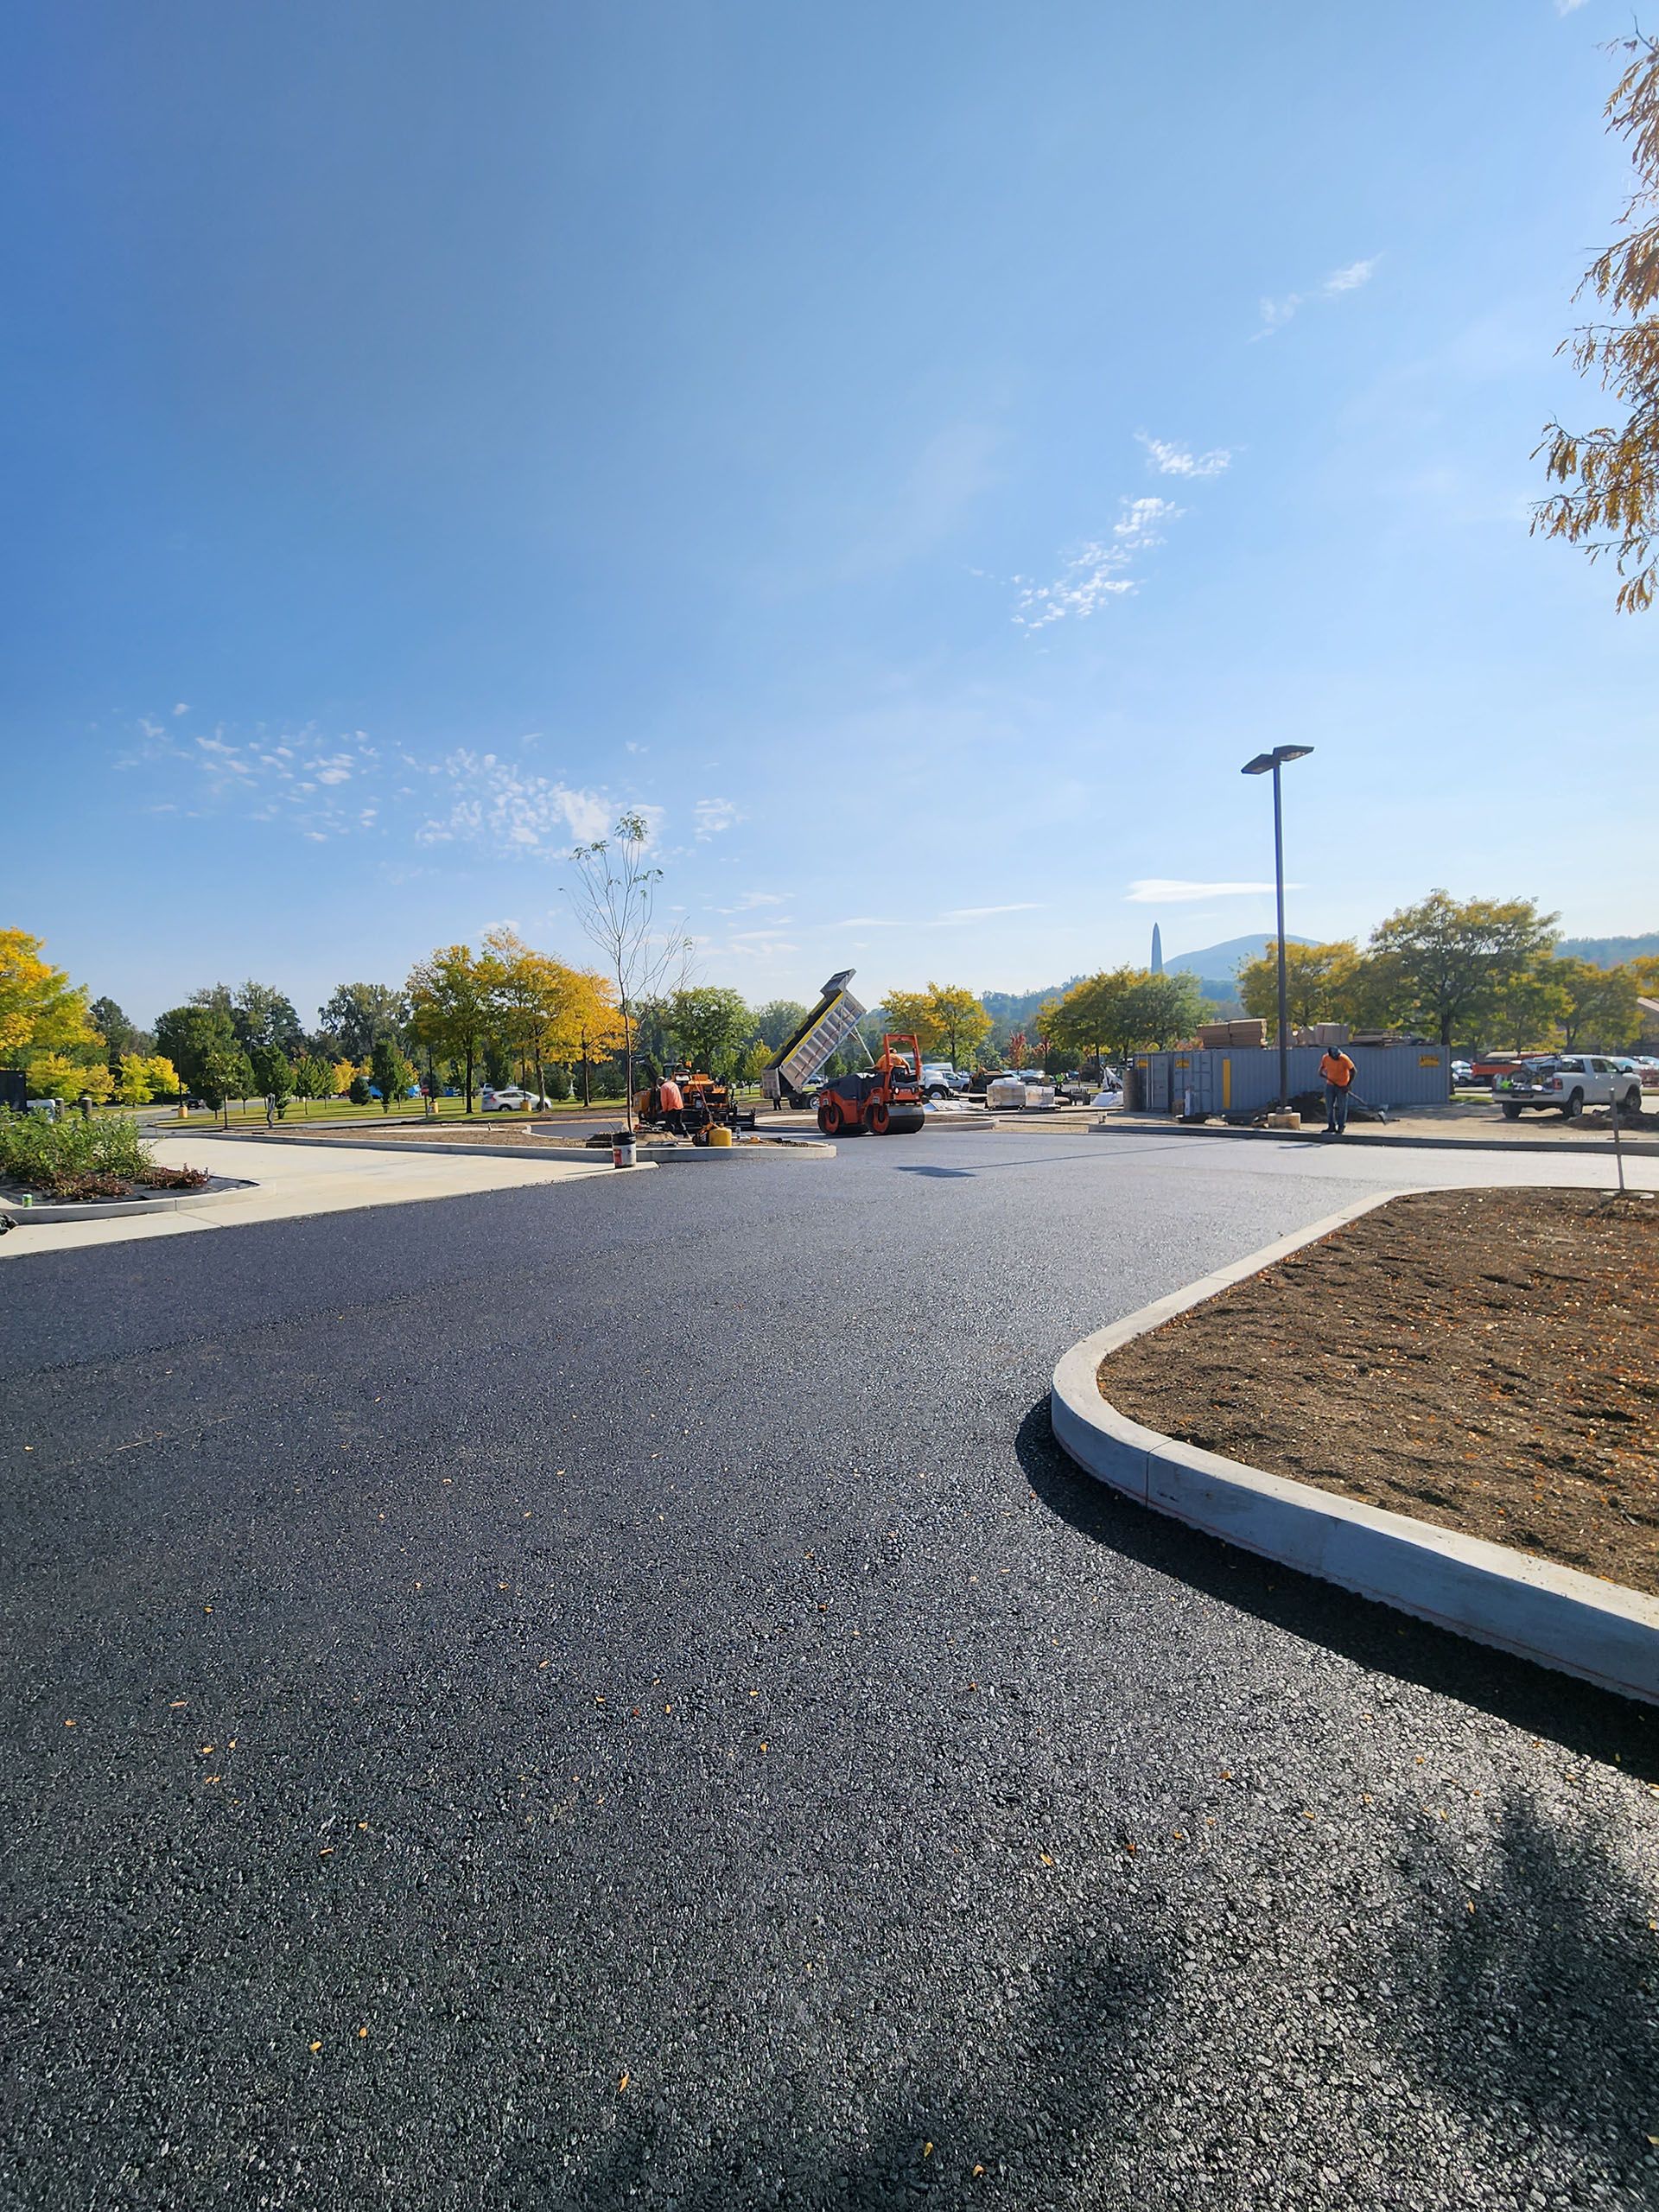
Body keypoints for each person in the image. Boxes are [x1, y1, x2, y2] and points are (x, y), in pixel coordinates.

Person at [1319, 1045, 1357, 1135]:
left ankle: (1341, 1126)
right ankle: (1331, 1126)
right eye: (1335, 1057)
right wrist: (1321, 1072)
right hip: (1330, 1085)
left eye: (1338, 1056)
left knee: (1342, 1107)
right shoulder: (1326, 1058)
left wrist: (1348, 1085)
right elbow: (1322, 1068)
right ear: (1331, 1055)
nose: (1337, 1058)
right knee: (1329, 1106)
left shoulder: (1344, 1058)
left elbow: (1354, 1071)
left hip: (1342, 1086)